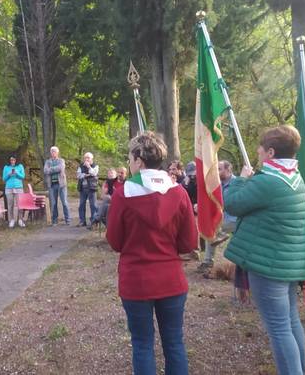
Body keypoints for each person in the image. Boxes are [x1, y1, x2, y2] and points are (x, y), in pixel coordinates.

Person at [107, 131, 197, 375]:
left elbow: (115, 241)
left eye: (129, 158)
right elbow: (189, 242)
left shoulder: (123, 193)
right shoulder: (178, 192)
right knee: (174, 343)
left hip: (136, 282)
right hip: (171, 280)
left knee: (142, 345)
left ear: (139, 160)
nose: (128, 163)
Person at [224, 125, 305, 375]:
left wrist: (240, 178)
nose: (258, 152)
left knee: (279, 328)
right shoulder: (295, 177)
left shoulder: (270, 181)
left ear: (271, 152)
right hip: (287, 263)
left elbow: (233, 204)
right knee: (290, 322)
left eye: (261, 148)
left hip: (268, 266)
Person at [198, 160, 236, 274]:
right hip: (222, 217)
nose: (216, 172)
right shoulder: (218, 184)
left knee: (213, 229)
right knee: (211, 228)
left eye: (219, 169)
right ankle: (208, 260)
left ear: (228, 170)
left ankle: (209, 259)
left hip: (235, 218)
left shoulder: (237, 182)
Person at [43, 146, 70, 225]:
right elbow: (45, 170)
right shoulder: (47, 161)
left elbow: (60, 168)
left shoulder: (61, 160)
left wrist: (51, 169)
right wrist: (55, 169)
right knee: (53, 203)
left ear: (57, 152)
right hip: (52, 184)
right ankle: (54, 220)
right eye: (52, 151)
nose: (53, 153)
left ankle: (67, 220)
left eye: (54, 151)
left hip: (61, 184)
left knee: (64, 202)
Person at [2, 155, 26, 228]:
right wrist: (8, 174)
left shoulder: (20, 166)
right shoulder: (6, 167)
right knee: (10, 205)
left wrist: (17, 172)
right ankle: (11, 220)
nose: (12, 161)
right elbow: (4, 179)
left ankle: (20, 220)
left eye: (14, 160)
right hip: (9, 188)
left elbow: (23, 176)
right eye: (11, 160)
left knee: (20, 204)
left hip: (18, 187)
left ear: (16, 160)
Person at [77, 152, 99, 227]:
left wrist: (89, 167)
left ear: (91, 158)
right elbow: (78, 175)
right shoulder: (81, 166)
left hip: (92, 188)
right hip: (83, 188)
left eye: (88, 158)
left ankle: (93, 221)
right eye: (85, 158)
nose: (86, 159)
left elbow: (94, 173)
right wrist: (86, 175)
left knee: (93, 205)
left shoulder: (95, 165)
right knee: (81, 205)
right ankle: (82, 221)